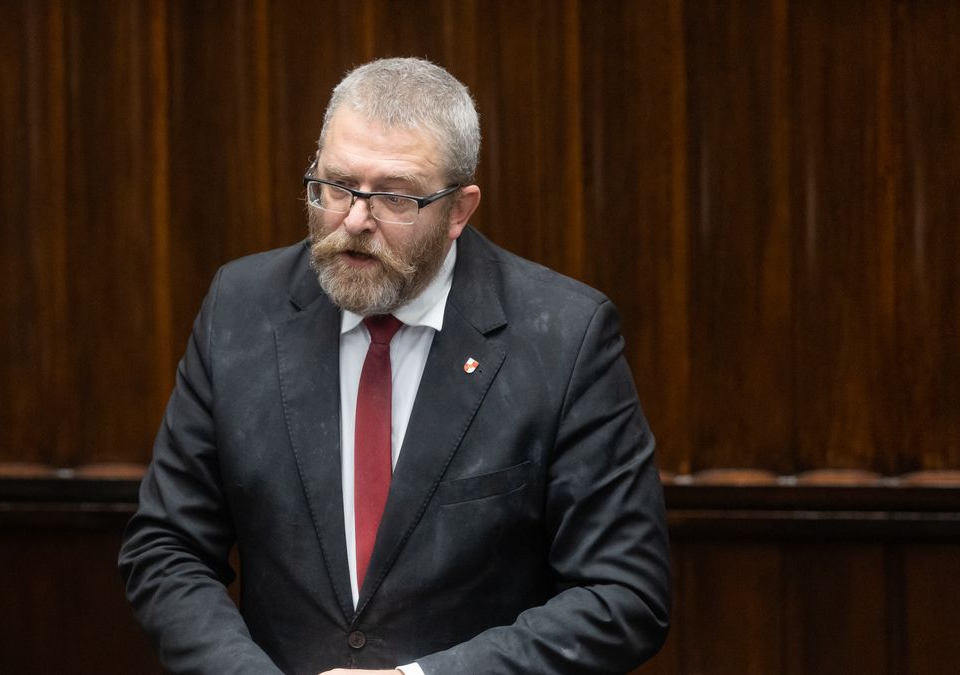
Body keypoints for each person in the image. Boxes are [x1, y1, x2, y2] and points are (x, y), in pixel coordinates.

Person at [119, 57, 671, 674]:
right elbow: (166, 548)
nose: (354, 221)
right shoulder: (242, 309)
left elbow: (624, 593)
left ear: (459, 210)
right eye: (336, 186)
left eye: (394, 197)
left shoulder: (564, 337)